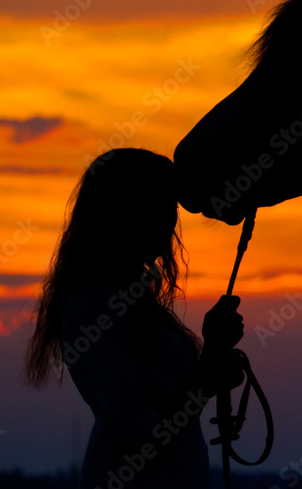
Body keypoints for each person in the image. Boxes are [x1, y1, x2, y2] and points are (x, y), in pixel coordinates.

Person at [25, 147, 244, 488]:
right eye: (151, 199)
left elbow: (170, 404)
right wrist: (207, 383)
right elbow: (138, 432)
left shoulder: (132, 301)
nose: (167, 214)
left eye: (170, 202)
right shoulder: (92, 304)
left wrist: (213, 349)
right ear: (115, 208)